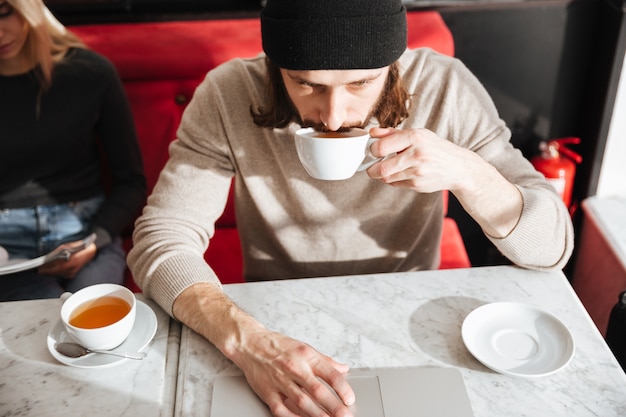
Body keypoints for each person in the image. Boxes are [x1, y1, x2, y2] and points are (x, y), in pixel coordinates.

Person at [128, 0, 574, 416]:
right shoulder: (227, 94)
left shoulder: (444, 87)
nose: (335, 117)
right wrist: (249, 341)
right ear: (275, 66)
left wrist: (470, 174)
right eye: (306, 82)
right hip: (274, 322)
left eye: (361, 83)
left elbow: (552, 247)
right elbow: (161, 239)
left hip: (409, 314)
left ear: (393, 65)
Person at [0, 0, 146, 301]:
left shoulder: (91, 73)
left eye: (3, 10)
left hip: (87, 229)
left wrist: (95, 240)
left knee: (91, 319)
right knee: (36, 325)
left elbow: (131, 182)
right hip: (6, 248)